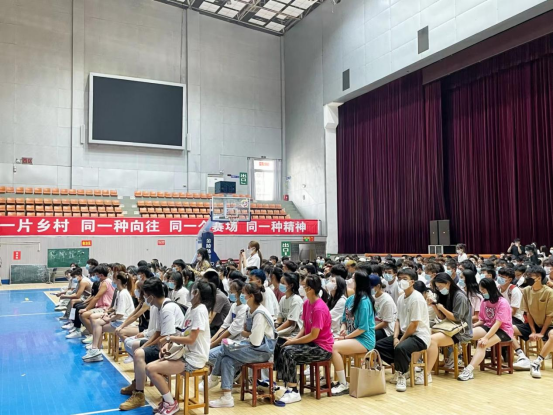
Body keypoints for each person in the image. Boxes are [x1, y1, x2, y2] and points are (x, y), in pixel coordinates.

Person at [145, 280, 214, 415]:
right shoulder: (191, 309)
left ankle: (171, 404)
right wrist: (169, 345)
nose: (189, 293)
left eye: (191, 290)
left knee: (151, 369)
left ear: (196, 293)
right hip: (185, 354)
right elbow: (182, 333)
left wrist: (169, 338)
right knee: (150, 367)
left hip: (194, 359)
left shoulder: (200, 310)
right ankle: (168, 401)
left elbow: (191, 339)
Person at [119, 278, 185, 411]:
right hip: (166, 343)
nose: (143, 297)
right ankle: (137, 383)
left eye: (144, 294)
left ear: (151, 296)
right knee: (136, 346)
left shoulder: (167, 309)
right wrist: (145, 346)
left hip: (173, 348)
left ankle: (139, 395)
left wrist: (144, 348)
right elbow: (158, 333)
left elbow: (165, 338)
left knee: (139, 353)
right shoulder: (161, 306)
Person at [208, 283, 277, 408]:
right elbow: (246, 333)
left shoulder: (260, 314)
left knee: (225, 347)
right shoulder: (249, 310)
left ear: (251, 296)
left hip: (262, 351)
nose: (242, 296)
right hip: (253, 347)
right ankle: (227, 398)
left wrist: (246, 333)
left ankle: (213, 377)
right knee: (227, 360)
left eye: (244, 294)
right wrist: (247, 333)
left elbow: (255, 340)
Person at [274, 275, 334, 405]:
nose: (301, 287)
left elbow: (313, 335)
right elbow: (305, 327)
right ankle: (285, 385)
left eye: (304, 285)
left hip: (322, 348)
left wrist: (294, 342)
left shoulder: (319, 308)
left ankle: (294, 391)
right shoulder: (307, 303)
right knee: (280, 345)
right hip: (311, 343)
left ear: (310, 289)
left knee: (289, 352)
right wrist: (294, 338)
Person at [375, 269, 431, 392]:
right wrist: (395, 337)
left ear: (412, 282)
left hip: (419, 336)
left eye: (405, 279)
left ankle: (402, 375)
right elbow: (398, 320)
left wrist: (401, 340)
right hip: (404, 333)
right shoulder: (401, 298)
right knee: (378, 345)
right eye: (399, 279)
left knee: (401, 348)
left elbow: (414, 325)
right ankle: (401, 366)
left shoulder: (416, 298)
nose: (401, 281)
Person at [457, 278, 513, 381]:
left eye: (483, 290)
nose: (482, 292)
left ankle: (469, 370)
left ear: (490, 289)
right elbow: (482, 320)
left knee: (481, 344)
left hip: (503, 330)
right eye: (481, 290)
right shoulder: (484, 301)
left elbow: (498, 324)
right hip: (488, 326)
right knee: (466, 334)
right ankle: (456, 359)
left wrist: (486, 338)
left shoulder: (503, 302)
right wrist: (472, 326)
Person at [331, 271, 377, 395]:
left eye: (352, 279)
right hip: (352, 337)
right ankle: (333, 379)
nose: (349, 281)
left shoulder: (364, 301)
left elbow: (363, 328)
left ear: (359, 282)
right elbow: (344, 320)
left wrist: (345, 337)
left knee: (334, 347)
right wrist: (343, 329)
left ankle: (343, 384)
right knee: (329, 343)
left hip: (364, 339)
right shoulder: (350, 299)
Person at [83, 273, 135, 362]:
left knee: (98, 325)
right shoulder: (119, 292)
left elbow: (120, 314)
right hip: (118, 320)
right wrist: (108, 314)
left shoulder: (123, 293)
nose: (112, 281)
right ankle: (95, 349)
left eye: (114, 279)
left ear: (118, 281)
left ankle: (95, 349)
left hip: (124, 323)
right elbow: (116, 310)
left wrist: (109, 319)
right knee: (97, 322)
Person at [426, 273, 473, 373]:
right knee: (424, 334)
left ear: (448, 283)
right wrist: (434, 306)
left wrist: (442, 308)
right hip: (449, 327)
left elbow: (457, 318)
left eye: (440, 286)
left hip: (461, 331)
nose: (439, 289)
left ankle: (427, 372)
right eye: (437, 287)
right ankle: (418, 365)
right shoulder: (446, 295)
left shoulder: (460, 296)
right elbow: (442, 317)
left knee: (432, 340)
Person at [512, 265, 553, 377]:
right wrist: (533, 331)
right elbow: (528, 313)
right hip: (532, 324)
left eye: (530, 277)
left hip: (548, 325)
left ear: (539, 278)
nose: (527, 279)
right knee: (507, 330)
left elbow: (550, 316)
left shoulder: (549, 292)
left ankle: (537, 362)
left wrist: (541, 333)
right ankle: (522, 357)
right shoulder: (526, 290)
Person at [79, 265, 115, 344]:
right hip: (102, 306)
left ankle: (94, 336)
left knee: (83, 315)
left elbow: (96, 297)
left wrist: (86, 308)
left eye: (96, 274)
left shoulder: (106, 283)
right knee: (81, 313)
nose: (95, 276)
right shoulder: (104, 282)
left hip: (105, 308)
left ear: (101, 275)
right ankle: (94, 334)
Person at [203, 269, 231, 336]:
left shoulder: (219, 297)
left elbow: (210, 318)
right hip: (212, 326)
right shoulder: (210, 294)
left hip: (219, 329)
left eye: (204, 283)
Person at [276, 273, 303, 337]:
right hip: (285, 331)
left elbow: (290, 322)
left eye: (283, 283)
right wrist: (274, 326)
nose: (280, 285)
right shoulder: (283, 299)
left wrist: (275, 331)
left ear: (291, 285)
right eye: (280, 282)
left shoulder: (296, 300)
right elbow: (279, 319)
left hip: (294, 333)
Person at [373, 275, 397, 341]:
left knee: (369, 336)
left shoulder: (387, 300)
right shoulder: (372, 297)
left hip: (386, 329)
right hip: (374, 325)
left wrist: (371, 329)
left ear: (378, 286)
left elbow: (385, 323)